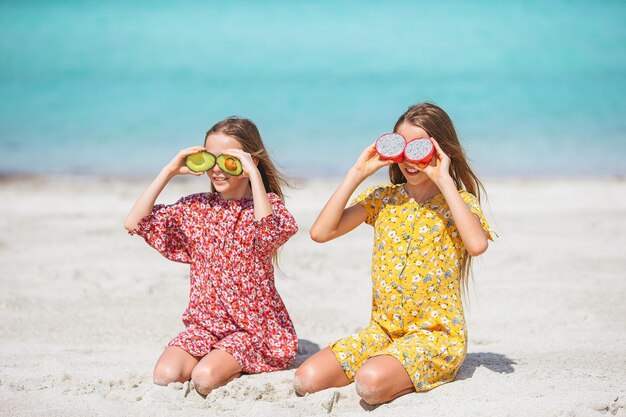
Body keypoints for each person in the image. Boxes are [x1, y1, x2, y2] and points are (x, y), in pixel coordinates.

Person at [294, 102, 493, 405]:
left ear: (440, 150)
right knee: (306, 379)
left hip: (434, 338)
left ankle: (397, 368)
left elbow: (477, 245)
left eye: (420, 148)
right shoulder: (383, 199)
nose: (409, 160)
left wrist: (444, 179)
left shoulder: (458, 203)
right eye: (402, 148)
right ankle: (390, 363)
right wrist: (357, 172)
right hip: (383, 332)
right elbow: (321, 233)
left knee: (369, 383)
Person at [124, 117, 298, 396]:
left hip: (252, 331)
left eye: (228, 160)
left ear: (250, 160)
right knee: (165, 375)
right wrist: (169, 171)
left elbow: (269, 235)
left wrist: (254, 175)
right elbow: (135, 223)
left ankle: (230, 360)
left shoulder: (267, 208)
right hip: (205, 326)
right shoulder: (195, 208)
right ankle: (219, 356)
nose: (216, 169)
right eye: (210, 158)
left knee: (204, 378)